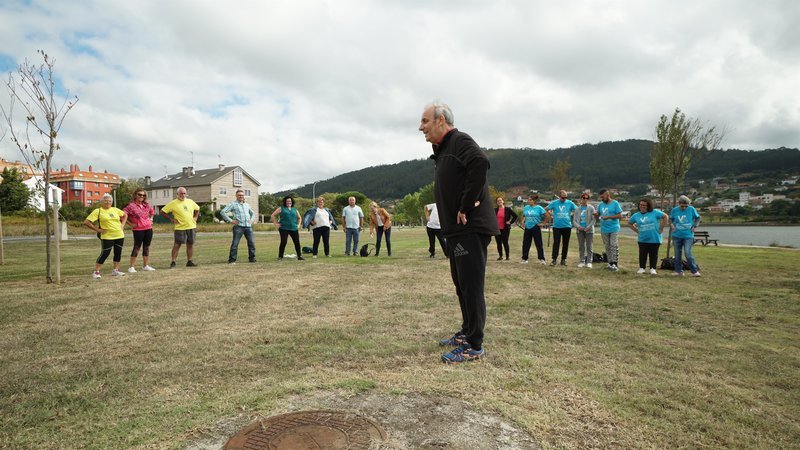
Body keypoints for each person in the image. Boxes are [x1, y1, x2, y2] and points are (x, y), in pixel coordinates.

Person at [419, 101, 498, 364]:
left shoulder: (459, 140)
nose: (421, 127)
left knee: (471, 286)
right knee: (461, 285)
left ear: (441, 120)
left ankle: (474, 345)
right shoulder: (443, 149)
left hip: (469, 227)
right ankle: (466, 332)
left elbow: (479, 162)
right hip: (455, 231)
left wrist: (468, 203)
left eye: (425, 121)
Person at [84, 193, 128, 278]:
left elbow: (125, 215)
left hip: (119, 235)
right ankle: (96, 272)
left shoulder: (115, 209)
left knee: (118, 253)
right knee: (105, 253)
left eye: (110, 201)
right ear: (101, 202)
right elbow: (86, 222)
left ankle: (116, 270)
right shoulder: (98, 211)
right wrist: (98, 230)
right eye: (106, 201)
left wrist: (122, 225)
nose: (108, 203)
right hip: (107, 236)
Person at [160, 186, 200, 268]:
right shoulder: (173, 203)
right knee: (177, 245)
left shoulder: (190, 201)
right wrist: (171, 219)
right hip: (180, 227)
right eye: (181, 193)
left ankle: (189, 261)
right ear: (177, 194)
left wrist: (195, 217)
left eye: (184, 193)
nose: (183, 195)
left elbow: (197, 209)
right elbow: (162, 211)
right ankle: (173, 262)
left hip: (191, 226)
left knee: (190, 244)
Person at [628, 197, 668, 275]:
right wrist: (637, 230)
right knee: (642, 253)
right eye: (641, 205)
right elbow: (629, 223)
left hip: (655, 238)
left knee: (653, 254)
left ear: (648, 206)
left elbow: (665, 217)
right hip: (642, 239)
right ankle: (642, 268)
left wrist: (661, 228)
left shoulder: (655, 212)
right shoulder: (636, 215)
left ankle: (652, 268)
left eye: (644, 205)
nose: (642, 206)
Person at [123, 188, 155, 272]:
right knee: (137, 247)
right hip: (138, 229)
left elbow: (152, 212)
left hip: (148, 228)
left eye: (143, 195)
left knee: (146, 247)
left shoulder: (147, 205)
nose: (142, 196)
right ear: (135, 195)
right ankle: (131, 267)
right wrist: (130, 224)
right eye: (139, 194)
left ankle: (145, 266)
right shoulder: (131, 206)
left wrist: (151, 219)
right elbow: (122, 215)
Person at [220, 189, 257, 264]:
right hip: (238, 227)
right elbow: (223, 212)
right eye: (239, 195)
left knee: (251, 243)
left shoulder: (247, 205)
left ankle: (252, 258)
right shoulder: (233, 204)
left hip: (248, 227)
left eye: (242, 195)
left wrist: (251, 220)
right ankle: (232, 260)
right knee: (235, 243)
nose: (241, 196)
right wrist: (231, 220)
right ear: (236, 196)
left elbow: (253, 214)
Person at [669, 195, 702, 277]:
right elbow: (670, 219)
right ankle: (678, 271)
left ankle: (694, 271)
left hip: (688, 235)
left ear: (688, 205)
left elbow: (698, 218)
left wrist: (695, 226)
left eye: (686, 206)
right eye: (682, 206)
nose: (684, 208)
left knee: (688, 253)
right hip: (676, 235)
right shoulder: (674, 210)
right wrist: (671, 224)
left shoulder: (691, 209)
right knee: (677, 254)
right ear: (679, 204)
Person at [545, 190, 577, 266]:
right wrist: (551, 214)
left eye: (565, 197)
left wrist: (572, 214)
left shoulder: (570, 203)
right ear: (559, 197)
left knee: (565, 243)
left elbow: (577, 209)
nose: (564, 199)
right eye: (563, 197)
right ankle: (554, 259)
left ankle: (563, 259)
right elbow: (545, 209)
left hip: (567, 226)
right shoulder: (554, 203)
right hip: (557, 227)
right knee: (556, 243)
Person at [596, 189, 624, 272]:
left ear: (607, 195)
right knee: (607, 246)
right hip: (604, 229)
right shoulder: (600, 205)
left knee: (613, 245)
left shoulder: (615, 203)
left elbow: (620, 216)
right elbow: (598, 214)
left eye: (603, 197)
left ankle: (615, 263)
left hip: (613, 228)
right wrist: (595, 214)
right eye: (600, 197)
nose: (601, 199)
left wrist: (608, 217)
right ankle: (610, 263)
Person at [271, 195, 304, 261]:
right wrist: (276, 224)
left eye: (290, 201)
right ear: (285, 202)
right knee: (283, 242)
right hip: (284, 228)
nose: (289, 202)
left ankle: (299, 256)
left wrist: (299, 225)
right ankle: (280, 257)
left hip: (294, 228)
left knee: (297, 242)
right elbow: (273, 215)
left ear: (292, 202)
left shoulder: (295, 209)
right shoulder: (281, 208)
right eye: (287, 201)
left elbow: (299, 217)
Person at [520, 194, 547, 264]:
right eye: (528, 200)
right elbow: (523, 215)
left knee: (538, 243)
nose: (528, 201)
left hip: (536, 227)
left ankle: (542, 259)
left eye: (530, 200)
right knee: (526, 243)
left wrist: (543, 223)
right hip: (527, 227)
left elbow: (547, 216)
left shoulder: (539, 208)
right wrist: (522, 221)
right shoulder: (526, 207)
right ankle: (524, 258)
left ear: (534, 201)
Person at [573, 193, 597, 268]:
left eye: (587, 198)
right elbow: (574, 220)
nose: (585, 199)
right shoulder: (577, 209)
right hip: (580, 230)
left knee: (589, 246)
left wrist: (588, 227)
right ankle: (582, 261)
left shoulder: (591, 208)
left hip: (589, 230)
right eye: (583, 198)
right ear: (581, 198)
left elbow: (593, 220)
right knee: (581, 246)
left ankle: (589, 261)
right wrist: (578, 226)